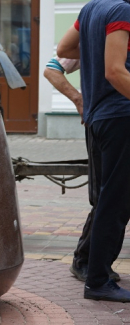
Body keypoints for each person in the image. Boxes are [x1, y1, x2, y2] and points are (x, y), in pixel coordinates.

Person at [57, 0, 130, 302]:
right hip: (120, 115)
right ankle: (98, 279)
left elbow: (62, 49)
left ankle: (96, 271)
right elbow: (115, 72)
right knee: (114, 202)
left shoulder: (92, 8)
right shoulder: (121, 10)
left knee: (111, 199)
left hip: (99, 116)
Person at [43, 57, 122, 283]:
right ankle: (84, 260)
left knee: (121, 199)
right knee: (105, 197)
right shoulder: (98, 29)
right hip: (106, 121)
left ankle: (99, 262)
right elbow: (52, 70)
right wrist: (78, 99)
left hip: (116, 121)